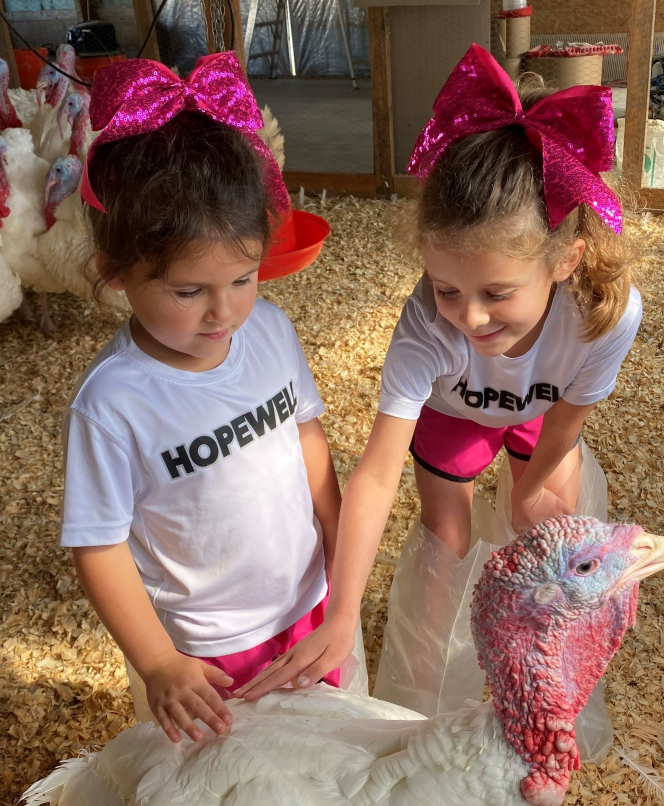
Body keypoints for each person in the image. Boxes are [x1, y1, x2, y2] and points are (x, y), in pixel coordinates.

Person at [239, 44, 642, 701]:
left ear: (566, 261)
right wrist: (341, 612)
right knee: (445, 543)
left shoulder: (604, 313)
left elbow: (569, 417)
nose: (470, 317)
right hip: (455, 413)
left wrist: (532, 486)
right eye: (447, 287)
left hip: (541, 415)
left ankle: (541, 681)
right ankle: (427, 692)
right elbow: (376, 474)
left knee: (552, 527)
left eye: (496, 292)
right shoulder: (427, 327)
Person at [60, 54, 341, 743]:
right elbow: (98, 545)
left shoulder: (270, 330)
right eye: (188, 291)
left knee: (321, 752)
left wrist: (340, 545)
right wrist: (158, 661)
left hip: (309, 602)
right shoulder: (114, 402)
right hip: (208, 646)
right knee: (232, 777)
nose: (225, 312)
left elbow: (306, 437)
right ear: (115, 271)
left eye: (244, 278)